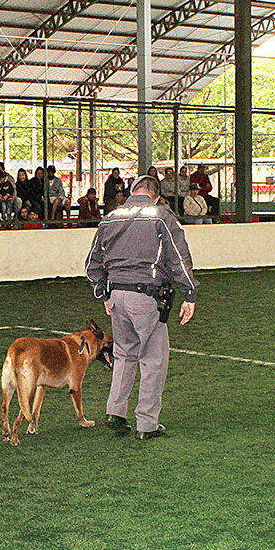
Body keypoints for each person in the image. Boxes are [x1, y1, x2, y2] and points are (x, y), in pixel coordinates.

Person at [85, 174, 199, 440]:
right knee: (153, 359)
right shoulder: (161, 217)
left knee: (124, 354)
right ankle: (146, 424)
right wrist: (190, 293)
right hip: (146, 296)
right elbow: (179, 258)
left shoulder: (110, 217)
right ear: (157, 195)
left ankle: (115, 411)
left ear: (132, 191)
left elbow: (92, 265)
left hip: (117, 296)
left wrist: (104, 293)